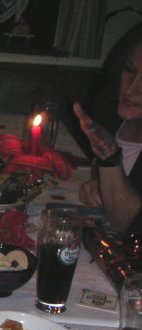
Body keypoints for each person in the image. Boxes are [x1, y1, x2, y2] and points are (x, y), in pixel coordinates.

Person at [73, 23, 142, 236]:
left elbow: (131, 228)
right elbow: (98, 165)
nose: (131, 88)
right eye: (130, 70)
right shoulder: (110, 111)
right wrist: (98, 182)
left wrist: (109, 157)